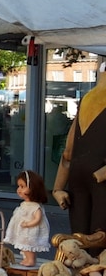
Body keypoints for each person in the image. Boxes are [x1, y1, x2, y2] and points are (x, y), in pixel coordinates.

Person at [53, 64, 106, 250]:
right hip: (101, 175)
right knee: (100, 236)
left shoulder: (86, 99)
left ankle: (79, 265)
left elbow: (68, 151)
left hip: (78, 174)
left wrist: (58, 188)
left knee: (78, 235)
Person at [4, 170, 50, 267]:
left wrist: (28, 224)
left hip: (29, 231)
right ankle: (27, 258)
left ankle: (31, 260)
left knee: (28, 245)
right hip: (23, 230)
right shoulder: (25, 204)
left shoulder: (35, 206)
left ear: (32, 188)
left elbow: (38, 218)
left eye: (22, 187)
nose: (19, 190)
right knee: (23, 245)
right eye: (18, 186)